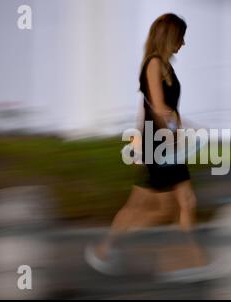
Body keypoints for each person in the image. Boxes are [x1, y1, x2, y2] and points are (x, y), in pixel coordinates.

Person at [85, 13, 206, 277]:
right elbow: (160, 108)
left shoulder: (166, 67)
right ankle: (191, 260)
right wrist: (177, 132)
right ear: (170, 36)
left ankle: (105, 249)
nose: (183, 43)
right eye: (181, 37)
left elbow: (151, 110)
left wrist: (169, 132)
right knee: (185, 201)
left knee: (150, 206)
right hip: (161, 144)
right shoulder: (152, 64)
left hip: (161, 143)